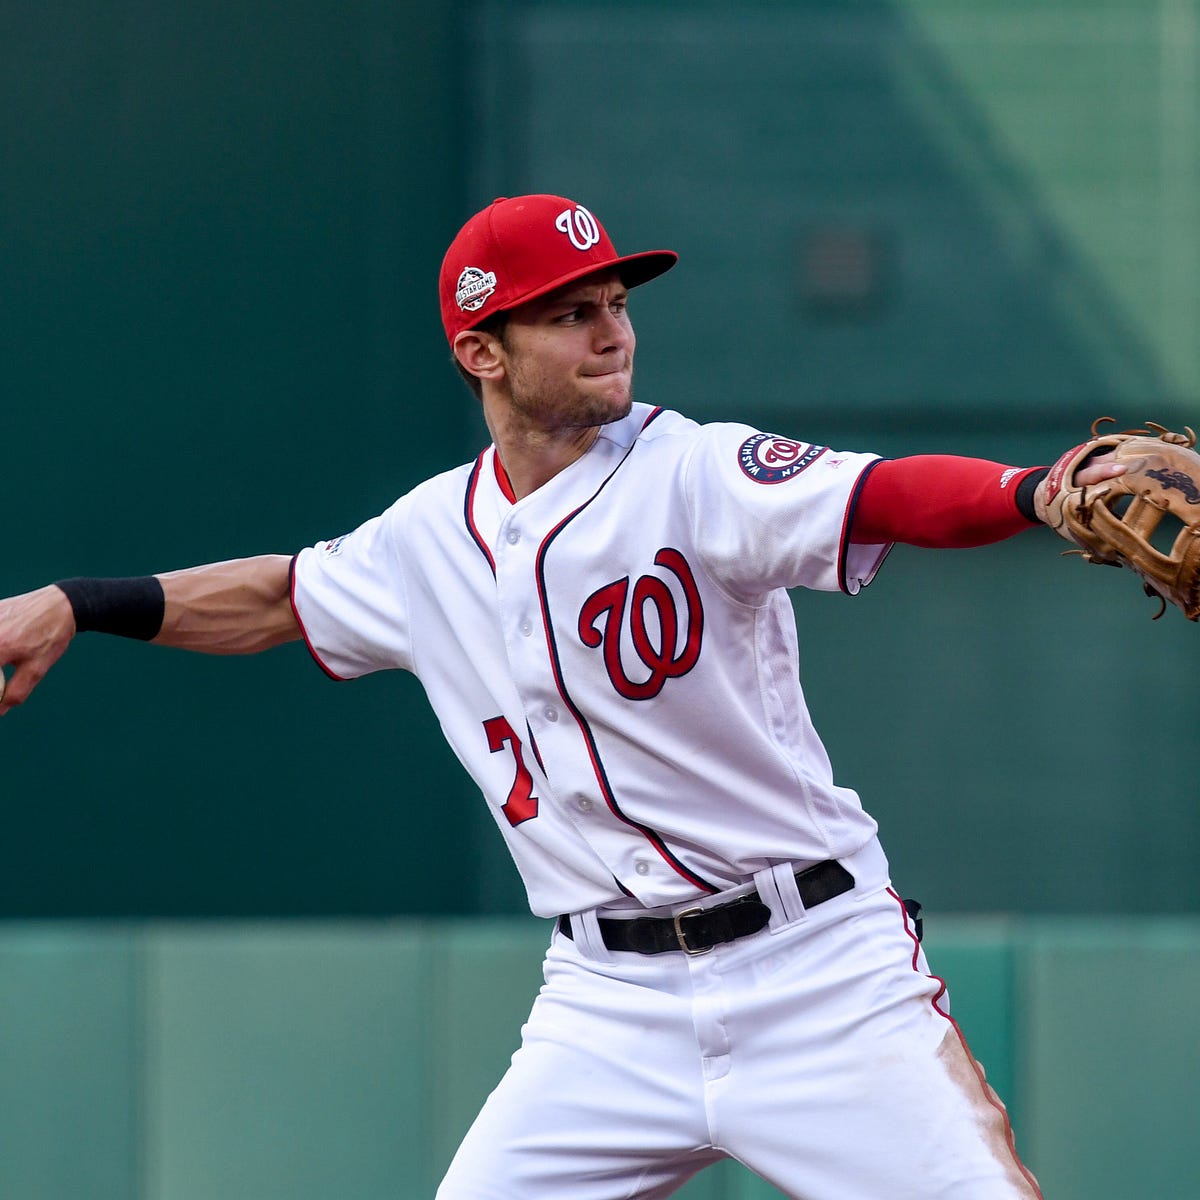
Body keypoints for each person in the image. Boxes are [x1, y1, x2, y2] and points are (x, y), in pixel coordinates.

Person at [0, 194, 1123, 1199]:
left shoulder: (695, 471)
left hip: (817, 970)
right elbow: (280, 597)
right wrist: (80, 603)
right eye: (569, 312)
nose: (612, 328)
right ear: (481, 349)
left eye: (616, 301)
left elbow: (886, 496)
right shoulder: (425, 537)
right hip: (607, 1004)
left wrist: (1033, 494)